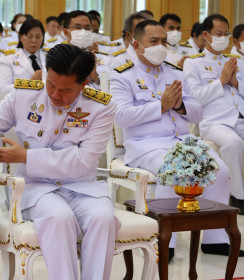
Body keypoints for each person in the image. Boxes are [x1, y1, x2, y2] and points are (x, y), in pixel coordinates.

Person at [0, 43, 120, 280]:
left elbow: (84, 160)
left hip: (82, 187)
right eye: (51, 84)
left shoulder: (101, 107)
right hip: (36, 187)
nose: (54, 94)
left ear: (84, 84)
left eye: (65, 91)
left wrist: (25, 157)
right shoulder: (24, 95)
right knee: (59, 217)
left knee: (103, 218)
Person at [111, 19, 243, 261]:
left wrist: (180, 105)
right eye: (154, 41)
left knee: (221, 170)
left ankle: (215, 240)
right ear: (138, 45)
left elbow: (197, 111)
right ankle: (165, 241)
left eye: (163, 41)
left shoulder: (174, 71)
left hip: (182, 140)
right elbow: (121, 116)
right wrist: (160, 106)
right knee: (173, 170)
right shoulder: (123, 75)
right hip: (146, 144)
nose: (161, 46)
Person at [184, 14, 244, 213]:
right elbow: (193, 98)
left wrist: (235, 82)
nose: (223, 38)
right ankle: (237, 196)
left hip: (239, 116)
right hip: (214, 121)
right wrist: (221, 81)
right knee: (233, 143)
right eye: (219, 33)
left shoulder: (236, 61)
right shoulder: (194, 63)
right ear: (206, 35)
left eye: (226, 33)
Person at [0, 19, 47, 98]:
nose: (34, 40)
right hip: (18, 104)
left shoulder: (50, 56)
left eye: (38, 37)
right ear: (20, 37)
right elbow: (2, 90)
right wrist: (30, 84)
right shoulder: (8, 58)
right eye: (29, 36)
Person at [62, 10, 109, 90]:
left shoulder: (103, 59)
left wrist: (96, 77)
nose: (83, 32)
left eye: (87, 28)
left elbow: (110, 91)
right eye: (77, 27)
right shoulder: (56, 59)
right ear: (66, 32)